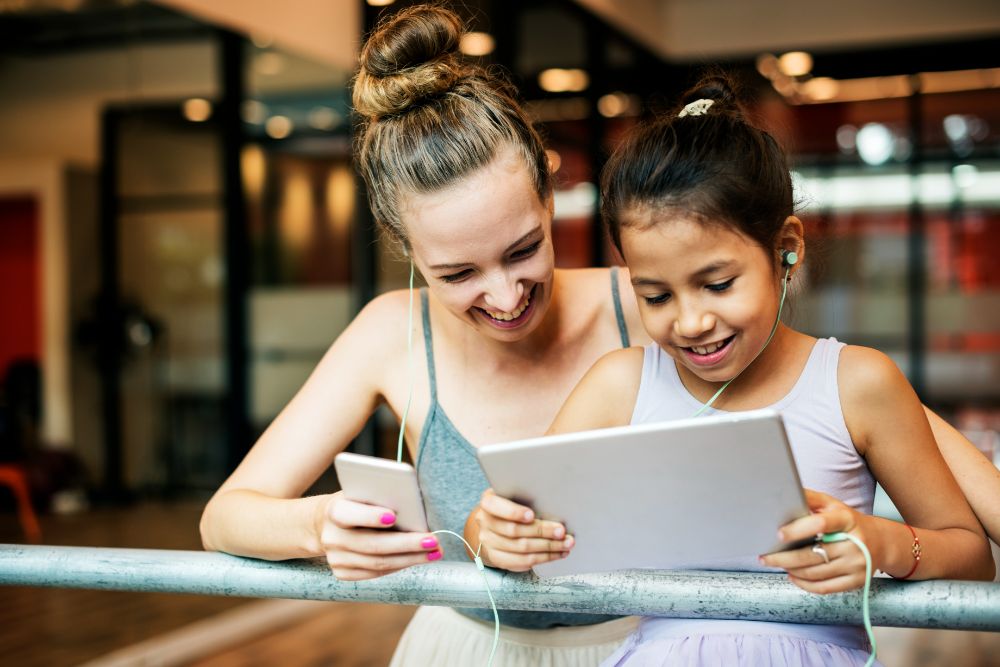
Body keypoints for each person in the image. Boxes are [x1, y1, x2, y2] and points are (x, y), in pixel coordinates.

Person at [470, 74, 995, 666]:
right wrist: (497, 536)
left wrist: (883, 544)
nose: (691, 322)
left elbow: (972, 558)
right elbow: (488, 527)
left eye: (717, 284)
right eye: (656, 296)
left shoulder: (857, 383)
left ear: (785, 247)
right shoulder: (621, 385)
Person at [200, 5, 650, 665]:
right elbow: (223, 517)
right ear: (404, 247)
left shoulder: (644, 307)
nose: (504, 295)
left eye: (524, 249)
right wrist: (321, 526)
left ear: (549, 197)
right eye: (458, 272)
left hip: (641, 645)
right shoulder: (390, 332)